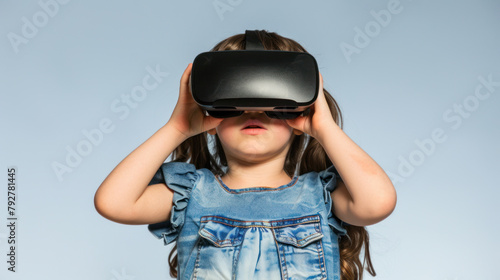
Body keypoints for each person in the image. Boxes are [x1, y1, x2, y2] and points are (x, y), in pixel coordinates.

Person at [94, 30, 397, 280]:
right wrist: (178, 127)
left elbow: (377, 203)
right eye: (235, 101)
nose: (253, 111)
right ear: (211, 119)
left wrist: (324, 127)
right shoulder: (192, 195)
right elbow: (114, 203)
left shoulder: (321, 196)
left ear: (301, 110)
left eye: (273, 103)